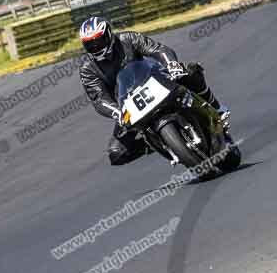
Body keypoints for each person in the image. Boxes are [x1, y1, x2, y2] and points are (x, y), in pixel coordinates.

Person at [78, 16, 230, 165]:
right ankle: (157, 143)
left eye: (99, 41)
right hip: (127, 105)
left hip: (153, 79)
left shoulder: (127, 38)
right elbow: (98, 98)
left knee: (189, 72)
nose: (96, 47)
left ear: (109, 34)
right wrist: (117, 111)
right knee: (116, 153)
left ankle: (217, 107)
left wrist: (171, 64)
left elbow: (157, 49)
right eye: (90, 45)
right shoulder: (87, 68)